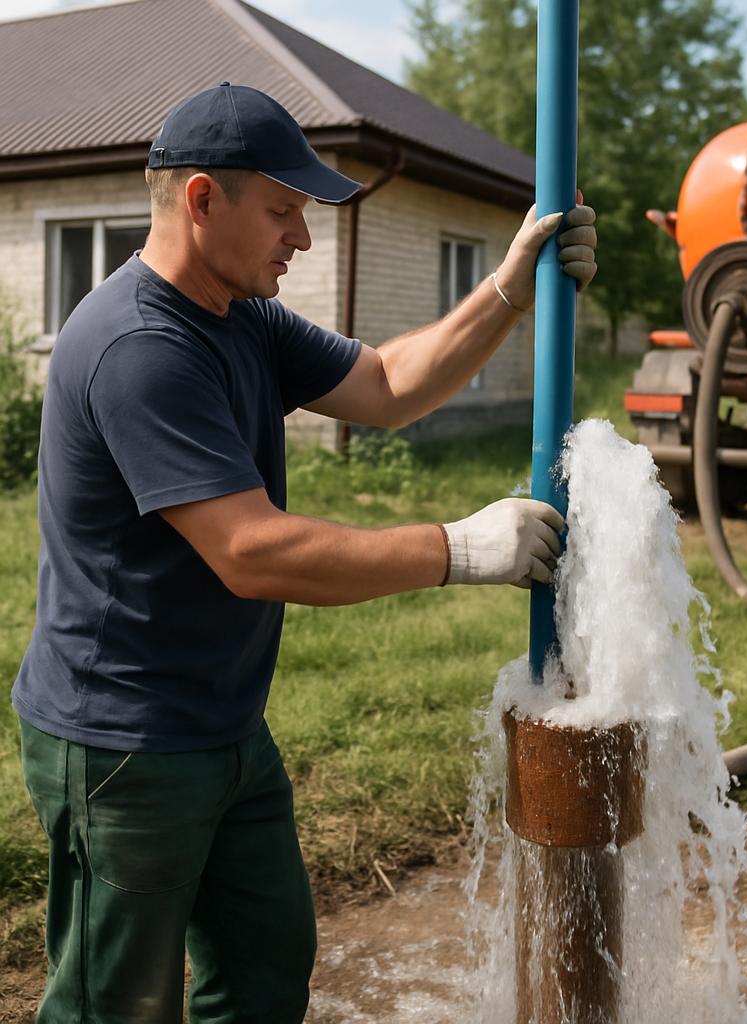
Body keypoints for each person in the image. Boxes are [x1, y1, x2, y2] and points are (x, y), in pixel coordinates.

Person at [12, 83, 597, 1023]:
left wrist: (507, 290)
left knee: (265, 968)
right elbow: (250, 551)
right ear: (203, 200)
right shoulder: (139, 345)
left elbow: (387, 384)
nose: (304, 237)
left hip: (225, 723)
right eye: (284, 210)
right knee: (114, 1006)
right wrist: (457, 549)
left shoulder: (238, 313)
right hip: (125, 741)